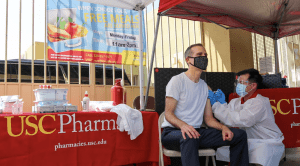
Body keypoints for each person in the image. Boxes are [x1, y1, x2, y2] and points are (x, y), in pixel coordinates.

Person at [161, 43, 249, 166]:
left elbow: (208, 119)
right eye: (199, 54)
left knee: (239, 135)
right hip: (173, 133)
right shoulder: (177, 81)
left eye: (205, 55)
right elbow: (168, 114)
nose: (204, 57)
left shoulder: (205, 87)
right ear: (188, 60)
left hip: (197, 132)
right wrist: (184, 126)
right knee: (189, 136)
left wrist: (224, 128)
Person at [210, 68, 285, 166]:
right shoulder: (236, 101)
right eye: (238, 82)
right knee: (224, 149)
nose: (238, 85)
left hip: (266, 141)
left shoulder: (260, 103)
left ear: (253, 85)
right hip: (250, 140)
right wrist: (223, 104)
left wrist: (215, 106)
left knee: (260, 153)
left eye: (242, 82)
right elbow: (228, 117)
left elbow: (239, 119)